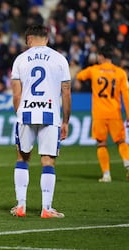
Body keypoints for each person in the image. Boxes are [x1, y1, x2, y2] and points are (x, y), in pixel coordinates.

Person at [10, 24, 71, 218]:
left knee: (22, 158)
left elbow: (16, 94)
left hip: (26, 113)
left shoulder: (20, 59)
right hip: (50, 114)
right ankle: (46, 208)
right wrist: (66, 121)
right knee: (48, 161)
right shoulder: (59, 59)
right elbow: (66, 92)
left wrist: (20, 113)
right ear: (47, 38)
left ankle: (21, 206)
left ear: (28, 39)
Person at [75, 45, 129, 182]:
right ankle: (127, 164)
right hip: (115, 113)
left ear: (101, 56)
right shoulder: (120, 73)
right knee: (121, 142)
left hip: (99, 114)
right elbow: (126, 96)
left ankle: (106, 174)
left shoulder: (94, 70)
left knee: (101, 144)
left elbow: (80, 76)